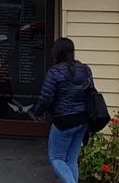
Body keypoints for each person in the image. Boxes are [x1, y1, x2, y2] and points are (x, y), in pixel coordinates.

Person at [30, 37, 93, 183]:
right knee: (71, 160)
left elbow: (46, 98)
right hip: (83, 120)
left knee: (56, 158)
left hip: (64, 121)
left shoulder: (54, 72)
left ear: (57, 53)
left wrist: (37, 112)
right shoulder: (85, 69)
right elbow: (91, 94)